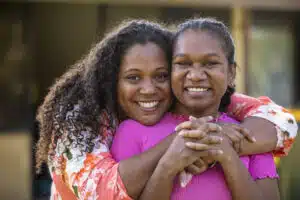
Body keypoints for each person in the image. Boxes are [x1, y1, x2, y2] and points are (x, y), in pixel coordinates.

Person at [35, 20, 297, 200]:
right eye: (133, 78)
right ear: (111, 80)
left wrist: (220, 142)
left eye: (161, 76)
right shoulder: (81, 124)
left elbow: (280, 122)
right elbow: (108, 190)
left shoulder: (209, 105)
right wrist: (181, 143)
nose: (149, 90)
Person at [111, 18, 280, 200]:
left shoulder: (246, 136)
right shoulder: (131, 131)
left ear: (231, 73)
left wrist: (227, 155)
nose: (196, 76)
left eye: (210, 63)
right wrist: (168, 166)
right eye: (183, 63)